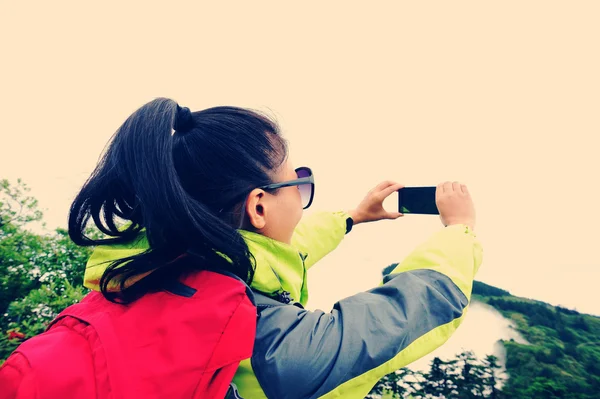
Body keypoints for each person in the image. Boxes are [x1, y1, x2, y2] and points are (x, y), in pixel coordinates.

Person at [0, 98, 482, 399]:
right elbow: (411, 309)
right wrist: (459, 230)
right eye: (298, 182)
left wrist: (353, 217)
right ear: (258, 207)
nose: (302, 191)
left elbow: (273, 254)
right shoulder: (265, 340)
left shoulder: (151, 268)